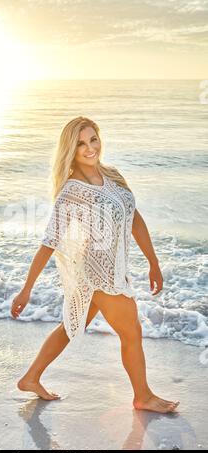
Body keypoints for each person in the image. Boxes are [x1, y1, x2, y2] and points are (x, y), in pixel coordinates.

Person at [11, 116, 180, 413]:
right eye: (81, 143)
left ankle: (30, 377)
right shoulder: (71, 191)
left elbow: (134, 218)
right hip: (95, 273)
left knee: (70, 326)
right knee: (131, 331)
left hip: (114, 268)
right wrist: (26, 290)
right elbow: (49, 242)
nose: (90, 148)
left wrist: (153, 261)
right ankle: (143, 396)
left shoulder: (113, 175)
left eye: (93, 139)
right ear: (70, 150)